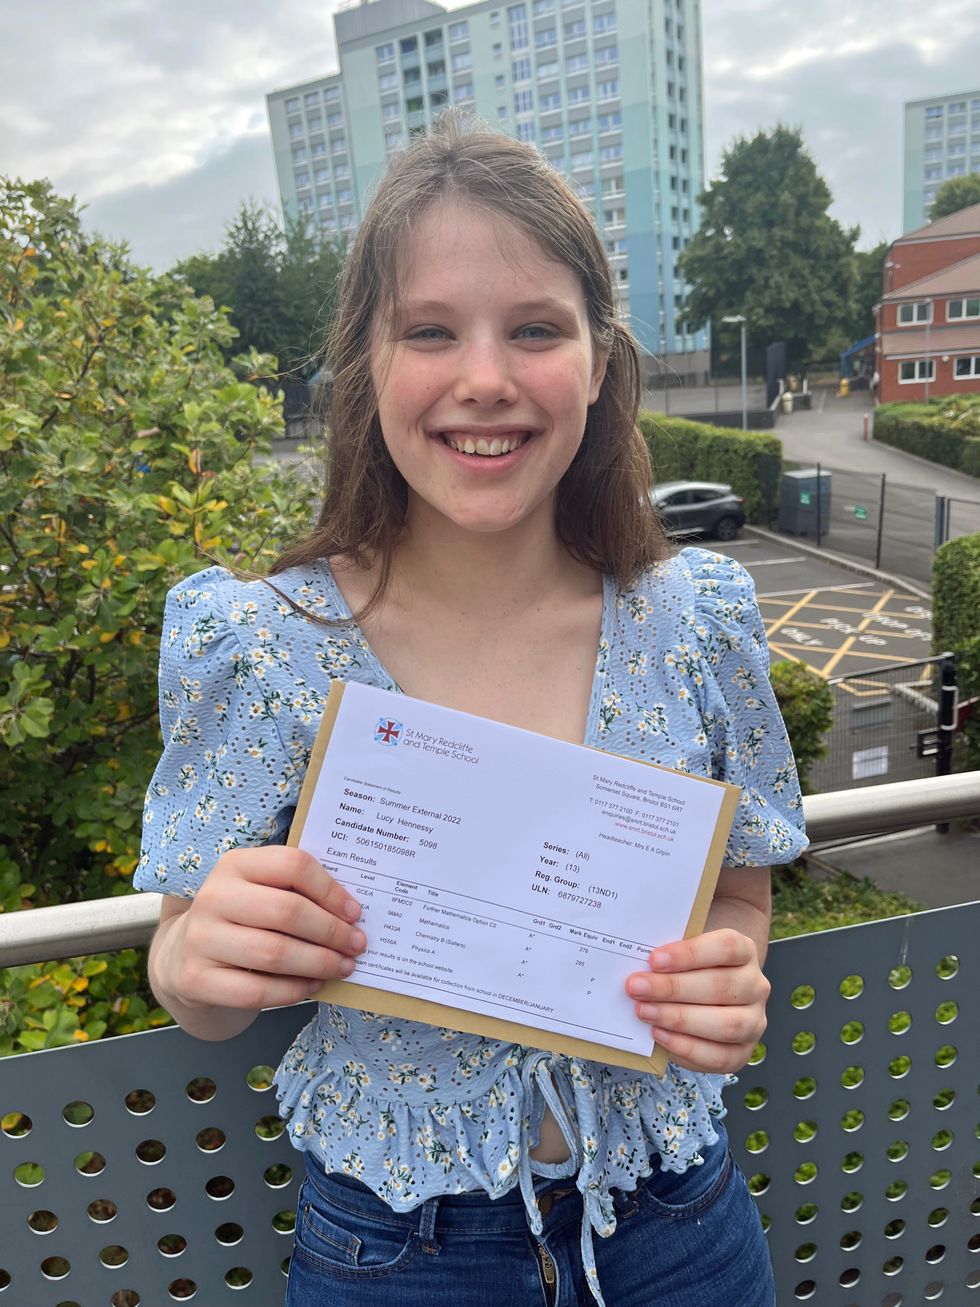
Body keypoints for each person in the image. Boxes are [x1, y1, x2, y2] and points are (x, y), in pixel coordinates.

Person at [136, 115, 807, 1307]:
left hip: (677, 1223)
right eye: (430, 330)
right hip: (398, 1250)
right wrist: (200, 954)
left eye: (535, 328)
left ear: (596, 363)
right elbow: (189, 977)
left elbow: (739, 896)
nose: (485, 377)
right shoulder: (263, 645)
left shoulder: (694, 621)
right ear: (367, 363)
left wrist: (725, 976)